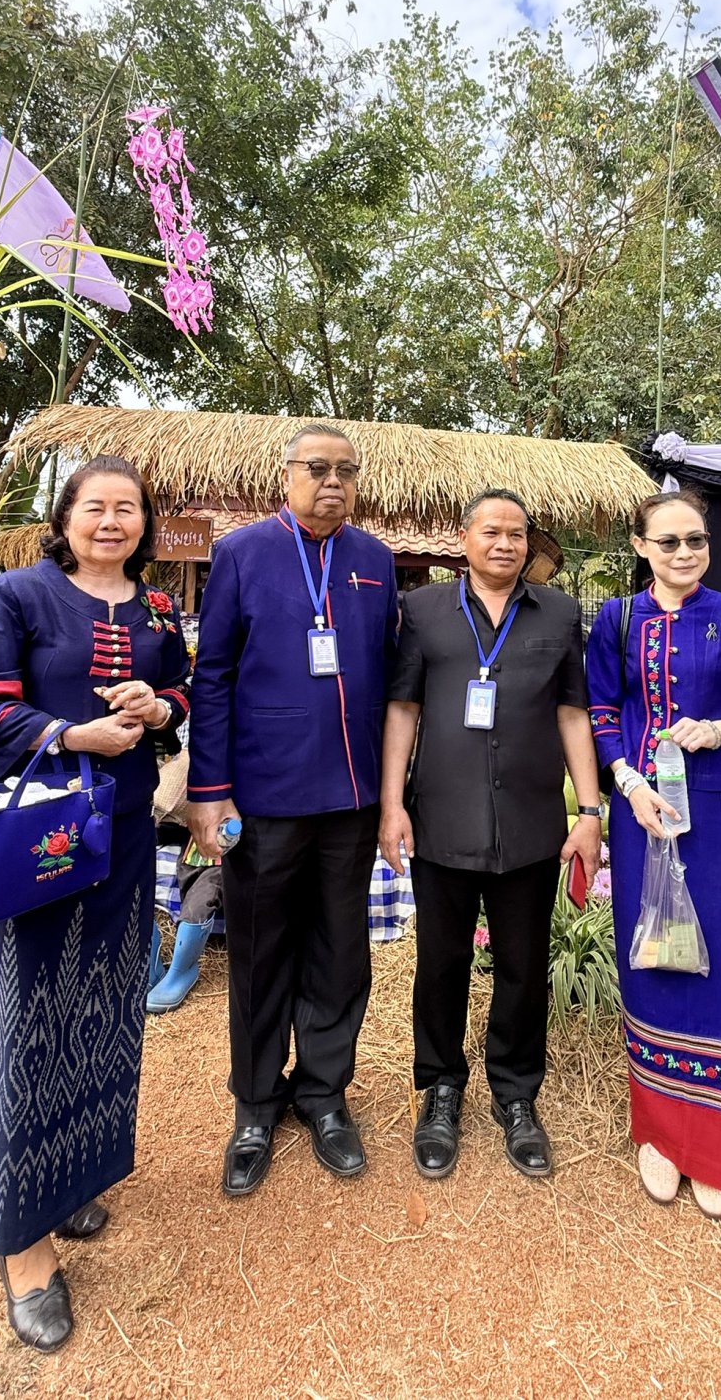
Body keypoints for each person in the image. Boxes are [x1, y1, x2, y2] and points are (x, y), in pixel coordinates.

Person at [0, 457, 189, 1352]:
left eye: (129, 509)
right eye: (96, 507)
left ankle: (71, 1179)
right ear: (64, 518)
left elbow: (186, 692)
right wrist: (65, 733)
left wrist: (157, 708)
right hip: (34, 842)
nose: (112, 522)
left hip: (119, 838)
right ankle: (23, 1245)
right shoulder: (18, 596)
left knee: (102, 1007)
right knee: (24, 1020)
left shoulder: (157, 607)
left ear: (145, 523)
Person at [186, 423, 398, 1196]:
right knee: (260, 950)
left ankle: (323, 1093)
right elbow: (212, 677)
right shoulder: (243, 552)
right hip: (265, 793)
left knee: (340, 951)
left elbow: (390, 675)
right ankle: (255, 1104)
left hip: (351, 794)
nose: (333, 481)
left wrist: (393, 792)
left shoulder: (375, 559)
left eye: (346, 469)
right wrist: (208, 790)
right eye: (317, 467)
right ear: (287, 475)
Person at [380, 489, 602, 1181]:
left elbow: (573, 714)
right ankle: (441, 1090)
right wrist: (392, 804)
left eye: (517, 534)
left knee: (523, 968)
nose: (505, 544)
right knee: (440, 965)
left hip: (531, 826)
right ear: (464, 539)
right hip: (442, 821)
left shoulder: (558, 612)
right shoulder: (422, 610)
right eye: (492, 532)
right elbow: (402, 709)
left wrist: (589, 812)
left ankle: (516, 1094)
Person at [586, 489, 721, 1220]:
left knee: (718, 959)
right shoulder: (616, 619)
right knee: (652, 956)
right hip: (642, 810)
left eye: (695, 540)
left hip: (718, 809)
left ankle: (713, 1145)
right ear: (641, 546)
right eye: (668, 541)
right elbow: (601, 711)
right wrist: (628, 782)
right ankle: (659, 1134)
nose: (684, 553)